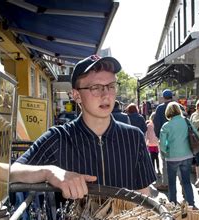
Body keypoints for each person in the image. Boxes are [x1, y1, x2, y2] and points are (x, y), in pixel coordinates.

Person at [10, 55, 156, 198]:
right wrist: (50, 172)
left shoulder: (133, 137)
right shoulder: (58, 138)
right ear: (76, 95)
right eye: (96, 87)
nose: (106, 95)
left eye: (111, 86)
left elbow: (143, 197)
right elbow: (10, 171)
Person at [159, 102, 199, 208]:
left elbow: (162, 144)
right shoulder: (186, 121)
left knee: (172, 183)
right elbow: (196, 134)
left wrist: (166, 151)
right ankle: (191, 203)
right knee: (186, 181)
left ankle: (173, 204)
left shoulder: (166, 125)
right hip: (187, 155)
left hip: (172, 156)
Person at [152, 89, 173, 191]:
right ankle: (183, 187)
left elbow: (156, 123)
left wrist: (158, 136)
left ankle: (166, 183)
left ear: (164, 97)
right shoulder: (179, 107)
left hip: (165, 138)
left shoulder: (160, 108)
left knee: (165, 161)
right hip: (179, 139)